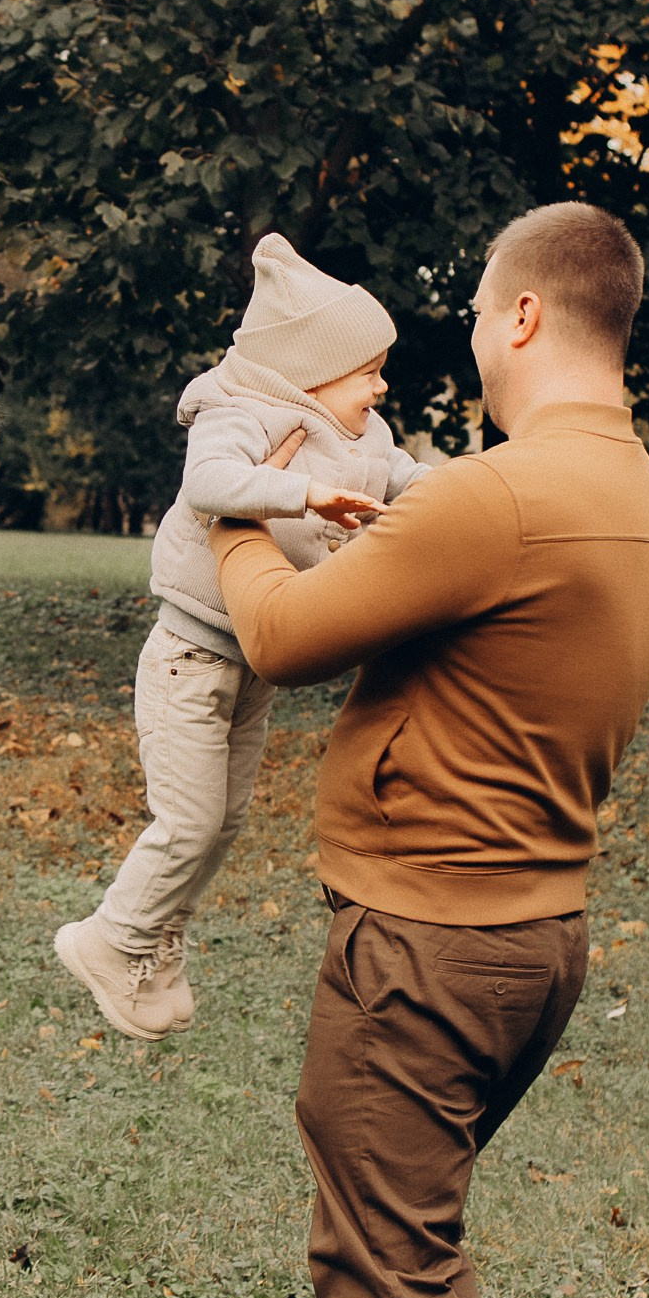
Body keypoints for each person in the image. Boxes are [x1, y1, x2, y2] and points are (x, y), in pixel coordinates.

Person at [210, 202, 649, 1298]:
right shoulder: (638, 497)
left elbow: (280, 635)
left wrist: (229, 517)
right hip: (530, 935)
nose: (473, 342)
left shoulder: (504, 495)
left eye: (480, 314)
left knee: (380, 1264)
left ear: (528, 318)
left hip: (425, 943)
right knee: (421, 1249)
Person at [54, 233, 425, 1040]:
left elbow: (410, 480)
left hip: (257, 657)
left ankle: (153, 936)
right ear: (311, 368)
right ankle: (108, 938)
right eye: (369, 369)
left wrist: (479, 485)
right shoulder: (240, 412)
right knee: (186, 820)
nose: (381, 384)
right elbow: (208, 484)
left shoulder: (366, 434)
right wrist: (305, 494)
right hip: (191, 654)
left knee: (221, 823)